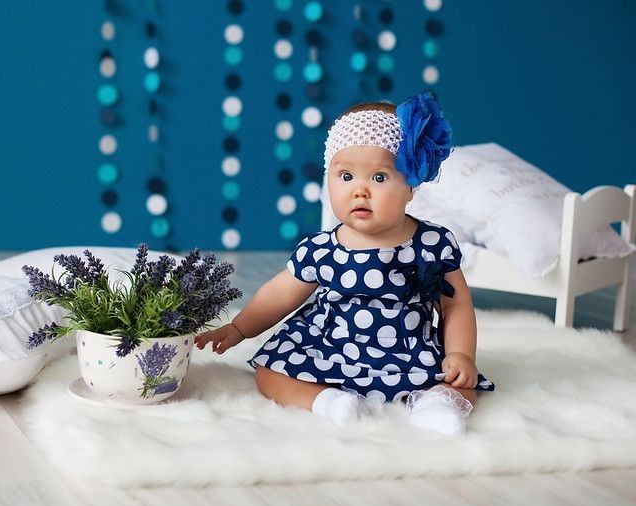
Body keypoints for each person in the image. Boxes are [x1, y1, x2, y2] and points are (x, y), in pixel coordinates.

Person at [195, 92, 494, 435]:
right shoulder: (322, 249)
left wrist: (461, 355)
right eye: (345, 176)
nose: (360, 191)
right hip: (330, 347)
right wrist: (239, 328)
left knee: (462, 381)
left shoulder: (432, 244)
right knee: (269, 372)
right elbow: (278, 296)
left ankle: (437, 405)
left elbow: (456, 304)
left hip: (407, 350)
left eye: (379, 178)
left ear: (412, 185)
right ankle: (328, 401)